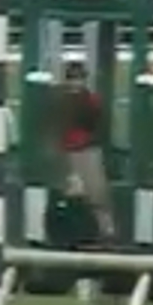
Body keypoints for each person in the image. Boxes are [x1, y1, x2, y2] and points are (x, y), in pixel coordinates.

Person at [50, 54, 116, 244]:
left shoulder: (91, 99)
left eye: (79, 78)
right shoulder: (59, 99)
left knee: (97, 193)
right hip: (66, 152)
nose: (76, 82)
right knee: (69, 193)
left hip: (88, 150)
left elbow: (97, 123)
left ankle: (105, 231)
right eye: (73, 78)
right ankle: (71, 231)